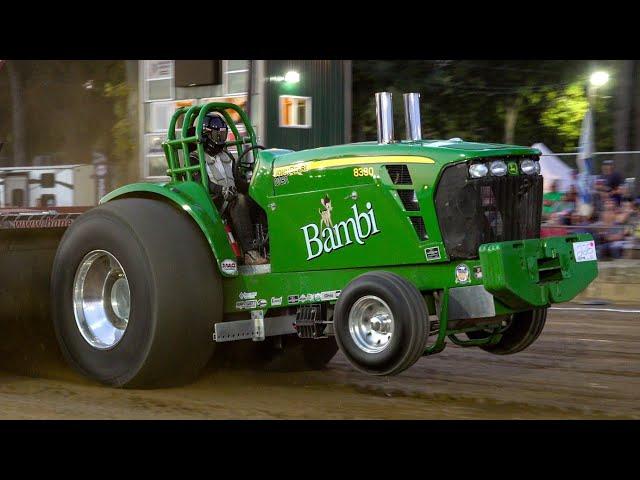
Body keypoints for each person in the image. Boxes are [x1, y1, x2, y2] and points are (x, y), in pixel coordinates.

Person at [188, 113, 268, 266]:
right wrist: (221, 190)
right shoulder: (195, 159)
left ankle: (266, 245)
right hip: (212, 203)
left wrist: (254, 185)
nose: (221, 139)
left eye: (223, 135)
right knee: (240, 200)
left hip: (231, 196)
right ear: (206, 135)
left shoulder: (227, 156)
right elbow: (199, 183)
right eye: (217, 135)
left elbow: (238, 180)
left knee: (260, 199)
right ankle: (250, 252)